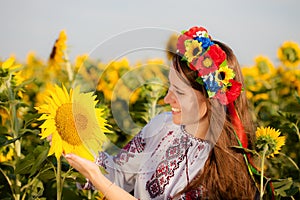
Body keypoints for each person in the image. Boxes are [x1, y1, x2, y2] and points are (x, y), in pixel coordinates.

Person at [65, 26, 259, 199]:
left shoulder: (220, 166)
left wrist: (97, 178)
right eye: (170, 87)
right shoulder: (162, 126)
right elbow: (119, 173)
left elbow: (103, 180)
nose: (167, 99)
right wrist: (74, 141)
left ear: (211, 101)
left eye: (180, 93)